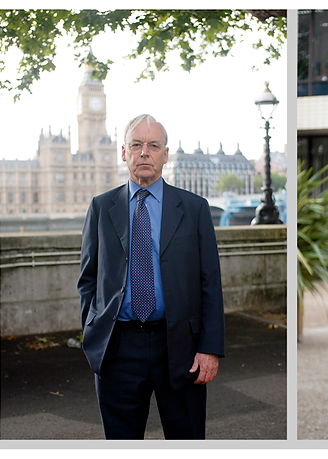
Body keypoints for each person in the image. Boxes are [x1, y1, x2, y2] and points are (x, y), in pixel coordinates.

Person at [78, 114, 225, 439]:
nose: (145, 152)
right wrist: (93, 331)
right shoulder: (101, 207)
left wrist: (209, 347)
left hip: (181, 347)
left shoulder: (195, 208)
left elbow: (210, 283)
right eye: (137, 145)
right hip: (118, 346)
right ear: (124, 152)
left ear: (165, 154)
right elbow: (88, 279)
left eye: (153, 145)